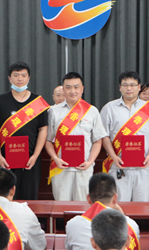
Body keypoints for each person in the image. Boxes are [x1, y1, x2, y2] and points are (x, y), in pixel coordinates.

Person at [0, 61, 49, 200]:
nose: (20, 79)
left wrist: (35, 156)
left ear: (29, 78)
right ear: (9, 78)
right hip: (5, 161)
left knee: (29, 200)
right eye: (16, 75)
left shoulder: (38, 102)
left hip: (30, 162)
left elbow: (43, 130)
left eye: (23, 75)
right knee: (3, 201)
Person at [45, 72, 108, 201]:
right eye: (68, 87)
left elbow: (97, 141)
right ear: (63, 89)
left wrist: (90, 161)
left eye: (76, 87)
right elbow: (48, 140)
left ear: (82, 89)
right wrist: (56, 159)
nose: (72, 91)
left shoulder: (92, 111)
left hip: (84, 168)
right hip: (61, 169)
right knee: (61, 207)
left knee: (83, 206)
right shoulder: (53, 111)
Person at [100, 71, 149, 202]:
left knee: (143, 208)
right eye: (125, 85)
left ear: (139, 87)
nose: (129, 88)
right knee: (119, 208)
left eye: (132, 85)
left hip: (144, 167)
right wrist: (113, 156)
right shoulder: (109, 108)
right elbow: (104, 136)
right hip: (119, 166)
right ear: (119, 87)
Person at [65, 173, 140, 250]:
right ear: (115, 198)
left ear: (88, 198)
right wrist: (121, 214)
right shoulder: (131, 225)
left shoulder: (72, 225)